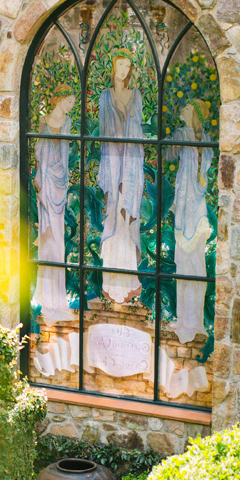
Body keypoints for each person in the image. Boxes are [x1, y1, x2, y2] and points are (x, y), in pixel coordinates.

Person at [98, 49, 145, 303]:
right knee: (113, 218)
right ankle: (110, 281)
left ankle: (128, 280)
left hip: (130, 165)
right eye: (120, 65)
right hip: (112, 163)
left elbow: (135, 131)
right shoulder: (105, 97)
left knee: (127, 222)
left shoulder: (135, 95)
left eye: (128, 66)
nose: (124, 70)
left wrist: (126, 114)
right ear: (113, 67)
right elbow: (105, 131)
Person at [167, 99, 213, 344]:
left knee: (196, 267)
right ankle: (184, 318)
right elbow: (168, 155)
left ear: (194, 112)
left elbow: (203, 176)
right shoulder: (181, 134)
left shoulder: (204, 140)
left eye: (185, 108)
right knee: (183, 267)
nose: (181, 110)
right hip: (184, 211)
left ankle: (195, 321)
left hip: (197, 211)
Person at [32, 84, 77, 326]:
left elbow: (65, 152)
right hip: (46, 182)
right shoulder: (43, 120)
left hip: (59, 182)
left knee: (57, 241)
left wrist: (64, 178)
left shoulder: (68, 122)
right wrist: (39, 180)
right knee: (47, 239)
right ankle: (46, 298)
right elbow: (39, 152)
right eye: (69, 101)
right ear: (59, 99)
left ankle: (57, 299)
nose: (71, 106)